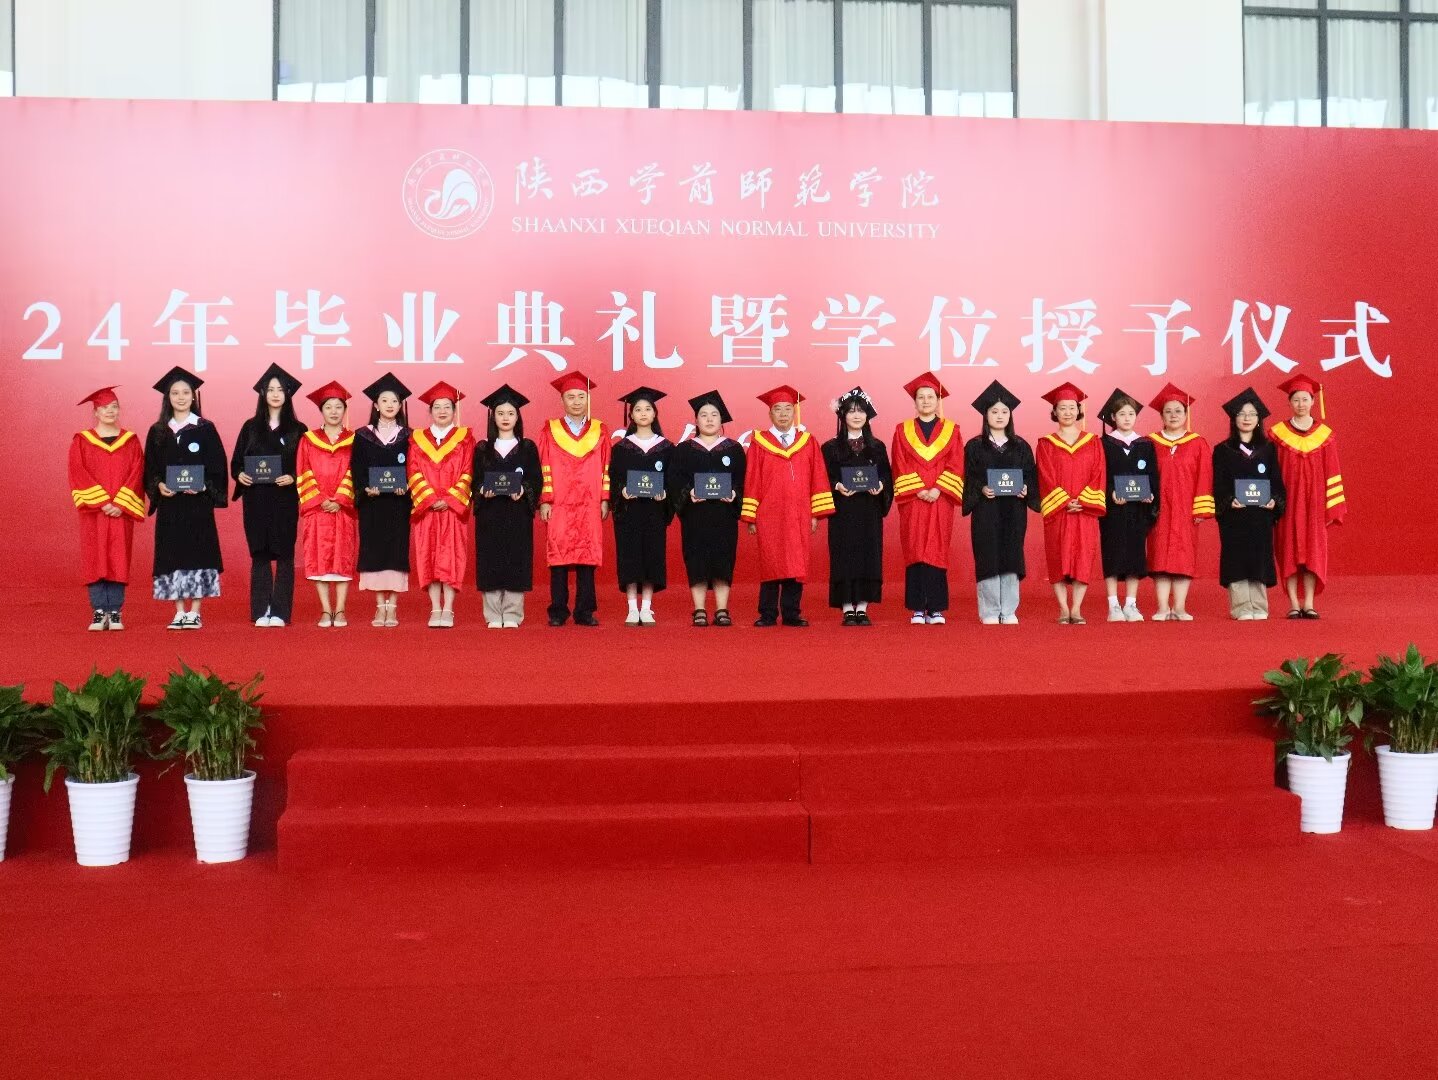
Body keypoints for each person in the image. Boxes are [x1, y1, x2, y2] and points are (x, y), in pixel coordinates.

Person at [741, 385, 834, 627]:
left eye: (788, 409)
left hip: (799, 513)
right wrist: (751, 516)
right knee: (770, 561)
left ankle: (792, 612)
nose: (783, 414)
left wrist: (815, 514)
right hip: (768, 513)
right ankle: (768, 613)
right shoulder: (759, 442)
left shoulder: (808, 442)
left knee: (796, 560)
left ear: (794, 412)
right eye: (777, 409)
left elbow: (818, 477)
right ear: (770, 413)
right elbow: (752, 479)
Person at [142, 366, 227, 630]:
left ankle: (195, 611)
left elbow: (218, 467)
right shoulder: (158, 431)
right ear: (167, 397)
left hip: (197, 506)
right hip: (171, 506)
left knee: (199, 554)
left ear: (193, 396)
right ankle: (179, 611)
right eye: (175, 393)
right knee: (173, 554)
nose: (180, 397)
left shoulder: (205, 429)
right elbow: (150, 469)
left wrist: (204, 487)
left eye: (186, 392)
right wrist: (159, 486)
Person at [230, 363, 305, 628]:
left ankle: (281, 611)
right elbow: (237, 462)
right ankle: (261, 609)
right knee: (259, 553)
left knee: (284, 554)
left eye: (280, 390)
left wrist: (293, 477)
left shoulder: (298, 429)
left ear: (288, 394)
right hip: (256, 498)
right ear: (263, 393)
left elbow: (306, 465)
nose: (275, 394)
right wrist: (239, 475)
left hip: (284, 499)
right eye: (270, 389)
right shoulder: (250, 427)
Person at [961, 380, 1038, 625]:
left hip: (1014, 510)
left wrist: (1026, 489)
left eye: (1005, 411)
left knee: (1012, 554)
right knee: (988, 555)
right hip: (986, 510)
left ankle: (1009, 609)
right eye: (994, 411)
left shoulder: (1021, 446)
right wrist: (981, 488)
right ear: (986, 415)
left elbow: (1031, 476)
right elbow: (967, 478)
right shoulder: (974, 446)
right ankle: (990, 610)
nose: (1000, 416)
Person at [537, 371, 610, 627]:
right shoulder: (550, 430)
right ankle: (558, 611)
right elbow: (544, 466)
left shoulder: (600, 430)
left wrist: (605, 498)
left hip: (590, 501)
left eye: (581, 396)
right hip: (560, 501)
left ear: (588, 399)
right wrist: (545, 500)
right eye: (571, 397)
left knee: (587, 553)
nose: (576, 401)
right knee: (558, 554)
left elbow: (606, 467)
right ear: (562, 400)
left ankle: (584, 610)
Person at [890, 372, 964, 625]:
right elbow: (899, 463)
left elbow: (956, 463)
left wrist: (939, 489)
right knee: (915, 549)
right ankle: (917, 609)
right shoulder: (902, 430)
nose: (925, 401)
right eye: (920, 397)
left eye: (930, 397)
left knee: (937, 548)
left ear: (937, 400)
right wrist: (918, 489)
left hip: (940, 500)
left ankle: (936, 608)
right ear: (915, 402)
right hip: (914, 500)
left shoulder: (952, 430)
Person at [69, 387, 145, 631]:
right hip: (95, 512)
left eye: (114, 407)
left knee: (119, 557)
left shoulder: (131, 441)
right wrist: (103, 502)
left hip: (121, 511)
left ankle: (115, 612)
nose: (110, 411)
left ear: (119, 410)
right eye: (104, 408)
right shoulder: (82, 440)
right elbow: (77, 472)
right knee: (95, 557)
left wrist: (120, 504)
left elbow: (138, 473)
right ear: (96, 412)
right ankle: (98, 610)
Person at [1270, 373, 1345, 619]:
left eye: (1305, 399)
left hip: (1315, 504)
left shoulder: (1325, 435)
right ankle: (1293, 603)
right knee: (1288, 550)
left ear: (1313, 401)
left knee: (1313, 551)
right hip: (1288, 503)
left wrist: (1331, 507)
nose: (1301, 404)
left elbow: (1332, 471)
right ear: (1289, 402)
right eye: (1296, 400)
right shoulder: (1277, 434)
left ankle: (1309, 603)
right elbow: (1271, 471)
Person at [669, 390, 745, 627]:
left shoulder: (734, 449)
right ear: (696, 420)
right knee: (696, 560)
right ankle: (699, 609)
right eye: (704, 415)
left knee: (723, 560)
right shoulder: (684, 450)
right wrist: (688, 493)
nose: (709, 419)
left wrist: (735, 493)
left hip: (724, 516)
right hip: (695, 516)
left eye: (714, 414)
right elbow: (674, 481)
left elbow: (743, 480)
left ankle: (722, 609)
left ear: (722, 420)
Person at [1213, 388, 1286, 621]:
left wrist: (1274, 499)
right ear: (1234, 419)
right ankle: (1241, 606)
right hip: (1234, 516)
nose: (1247, 418)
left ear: (1259, 419)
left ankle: (1259, 605)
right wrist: (1228, 501)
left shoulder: (1268, 449)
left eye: (1252, 414)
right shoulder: (1223, 450)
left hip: (1260, 515)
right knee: (1236, 557)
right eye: (1242, 414)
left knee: (1259, 556)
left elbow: (1276, 480)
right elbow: (1218, 483)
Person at [1035, 382, 1105, 625]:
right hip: (1059, 511)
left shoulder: (1093, 441)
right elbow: (1045, 476)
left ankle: (1077, 608)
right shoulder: (1046, 444)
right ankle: (1063, 609)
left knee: (1083, 556)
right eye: (1062, 408)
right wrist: (1065, 501)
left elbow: (1098, 473)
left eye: (1072, 407)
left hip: (1084, 511)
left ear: (1079, 410)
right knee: (1057, 556)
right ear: (1054, 412)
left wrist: (1083, 501)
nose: (1067, 412)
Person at [821, 387, 892, 625]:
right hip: (843, 512)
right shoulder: (830, 447)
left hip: (869, 511)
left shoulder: (877, 447)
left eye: (861, 411)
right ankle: (846, 608)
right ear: (842, 415)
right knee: (844, 555)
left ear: (867, 415)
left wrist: (881, 486)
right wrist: (837, 486)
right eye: (851, 411)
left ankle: (862, 607)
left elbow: (886, 476)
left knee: (868, 555)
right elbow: (823, 478)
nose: (856, 415)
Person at [472, 383, 541, 629]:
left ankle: (512, 613)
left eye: (510, 413)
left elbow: (536, 479)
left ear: (517, 417)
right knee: (490, 559)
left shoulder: (527, 447)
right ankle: (493, 614)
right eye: (500, 413)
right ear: (493, 417)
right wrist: (482, 490)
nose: (505, 418)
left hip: (517, 514)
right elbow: (475, 480)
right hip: (489, 515)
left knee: (516, 558)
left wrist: (523, 490)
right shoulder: (483, 448)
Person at [407, 381, 474, 628]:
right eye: (437, 407)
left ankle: (449, 609)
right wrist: (429, 498)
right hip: (427, 509)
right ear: (430, 411)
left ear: (455, 411)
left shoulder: (465, 438)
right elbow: (413, 471)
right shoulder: (417, 439)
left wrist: (449, 499)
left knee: (451, 557)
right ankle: (435, 608)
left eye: (447, 407)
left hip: (452, 510)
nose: (442, 411)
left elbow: (468, 472)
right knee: (430, 557)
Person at [1147, 383, 1214, 621]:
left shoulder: (1198, 443)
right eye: (1168, 411)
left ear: (1186, 415)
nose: (1173, 415)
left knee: (1184, 556)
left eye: (1178, 411)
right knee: (1159, 554)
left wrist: (1201, 509)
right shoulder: (1150, 443)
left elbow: (1205, 476)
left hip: (1186, 508)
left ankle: (1180, 607)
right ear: (1161, 416)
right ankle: (1162, 607)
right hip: (1159, 509)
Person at [351, 373, 413, 628]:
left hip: (398, 504)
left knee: (396, 551)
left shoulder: (409, 436)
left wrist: (407, 487)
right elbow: (357, 468)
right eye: (384, 400)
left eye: (395, 401)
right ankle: (379, 606)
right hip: (372, 504)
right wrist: (366, 488)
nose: (390, 405)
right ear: (375, 404)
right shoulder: (363, 435)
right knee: (374, 551)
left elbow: (414, 468)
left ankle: (393, 607)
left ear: (400, 406)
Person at [609, 387, 674, 625]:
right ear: (631, 416)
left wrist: (665, 494)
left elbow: (673, 480)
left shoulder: (666, 448)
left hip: (654, 512)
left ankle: (646, 607)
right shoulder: (621, 448)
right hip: (629, 512)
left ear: (655, 414)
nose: (643, 413)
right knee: (630, 556)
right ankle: (631, 608)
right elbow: (613, 479)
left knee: (651, 556)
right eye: (638, 409)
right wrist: (622, 491)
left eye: (648, 409)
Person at [296, 380, 358, 627]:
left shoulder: (355, 439)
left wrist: (340, 499)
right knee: (319, 558)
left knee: (343, 557)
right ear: (321, 410)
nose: (334, 411)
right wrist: (321, 500)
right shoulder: (308, 439)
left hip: (343, 509)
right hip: (317, 509)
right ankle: (325, 610)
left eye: (338, 407)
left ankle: (340, 610)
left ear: (345, 410)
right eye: (328, 407)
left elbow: (356, 472)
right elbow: (303, 471)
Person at [1096, 389, 1159, 623]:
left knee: (1135, 554)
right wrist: (1111, 492)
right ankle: (1113, 604)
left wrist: (1150, 494)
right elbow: (1099, 475)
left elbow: (1152, 475)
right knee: (1112, 553)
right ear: (1113, 417)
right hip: (1113, 510)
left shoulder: (1145, 445)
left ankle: (1131, 603)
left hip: (1137, 510)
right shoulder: (1103, 444)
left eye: (1131, 414)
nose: (1127, 418)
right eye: (1122, 414)